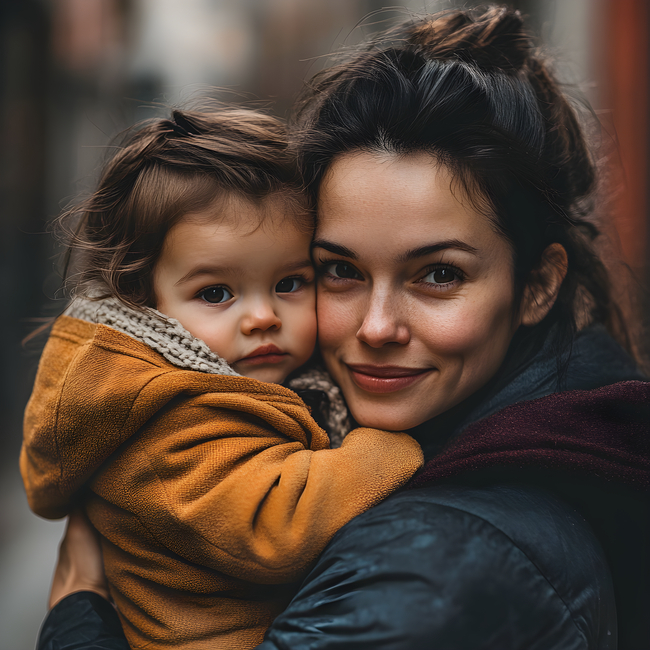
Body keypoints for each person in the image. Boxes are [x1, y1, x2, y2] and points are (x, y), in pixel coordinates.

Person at [34, 6, 650, 650]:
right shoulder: (540, 437)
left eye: (438, 275)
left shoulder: (435, 568)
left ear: (538, 286)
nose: (378, 326)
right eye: (339, 271)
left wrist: (77, 613)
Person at [20, 107, 424, 650]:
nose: (262, 317)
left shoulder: (235, 381)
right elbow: (274, 526)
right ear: (147, 301)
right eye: (216, 293)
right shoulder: (167, 419)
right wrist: (391, 447)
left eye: (289, 282)